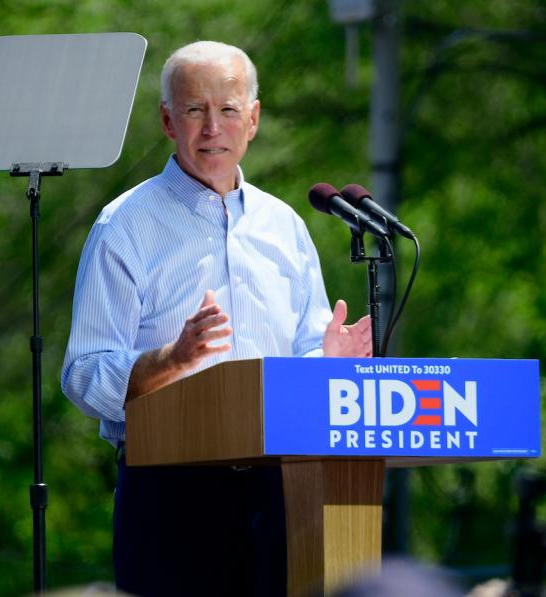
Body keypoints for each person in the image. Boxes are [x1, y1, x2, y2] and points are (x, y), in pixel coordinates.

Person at [60, 40, 372, 596]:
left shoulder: (285, 227)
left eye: (227, 110)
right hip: (172, 493)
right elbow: (84, 373)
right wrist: (169, 361)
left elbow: (300, 352)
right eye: (194, 110)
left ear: (252, 120)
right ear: (166, 120)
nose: (212, 128)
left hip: (284, 488)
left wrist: (325, 361)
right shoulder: (124, 226)